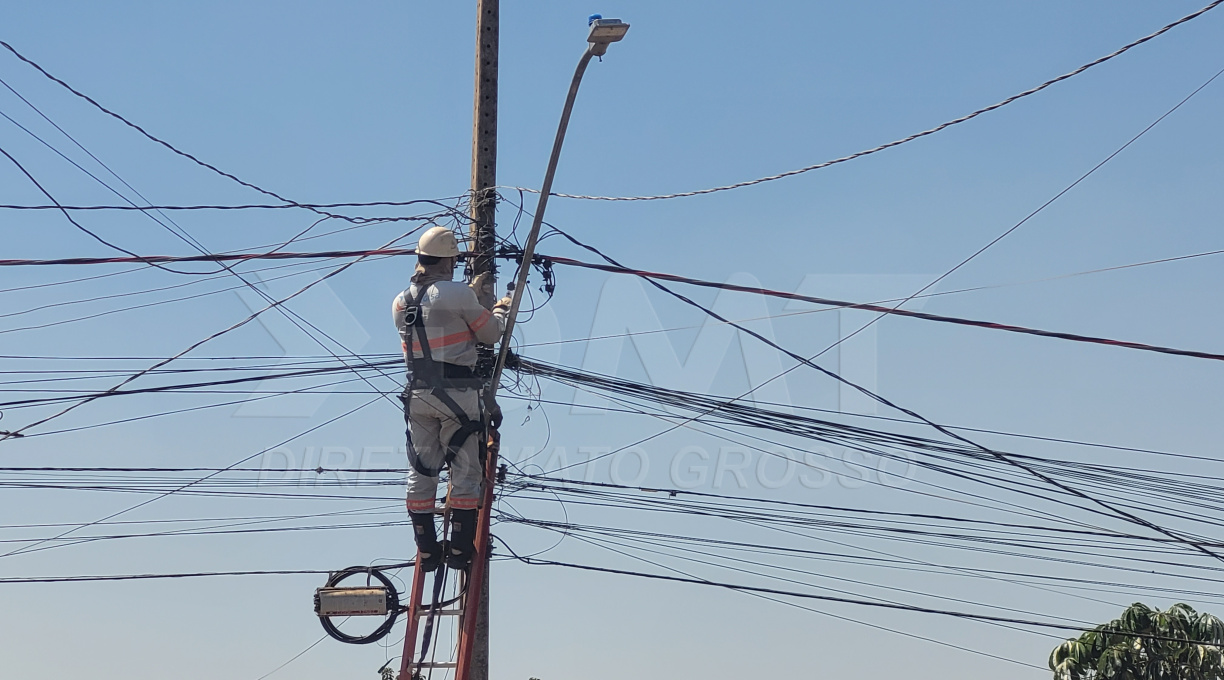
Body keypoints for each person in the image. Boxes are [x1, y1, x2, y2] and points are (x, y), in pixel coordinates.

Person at [392, 226, 509, 571]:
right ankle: (459, 551)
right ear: (450, 261)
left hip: (418, 397)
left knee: (422, 471)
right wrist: (500, 309)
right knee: (466, 472)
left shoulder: (400, 301)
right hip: (458, 394)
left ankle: (427, 551)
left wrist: (467, 298)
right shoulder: (457, 294)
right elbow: (489, 334)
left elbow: (437, 315)